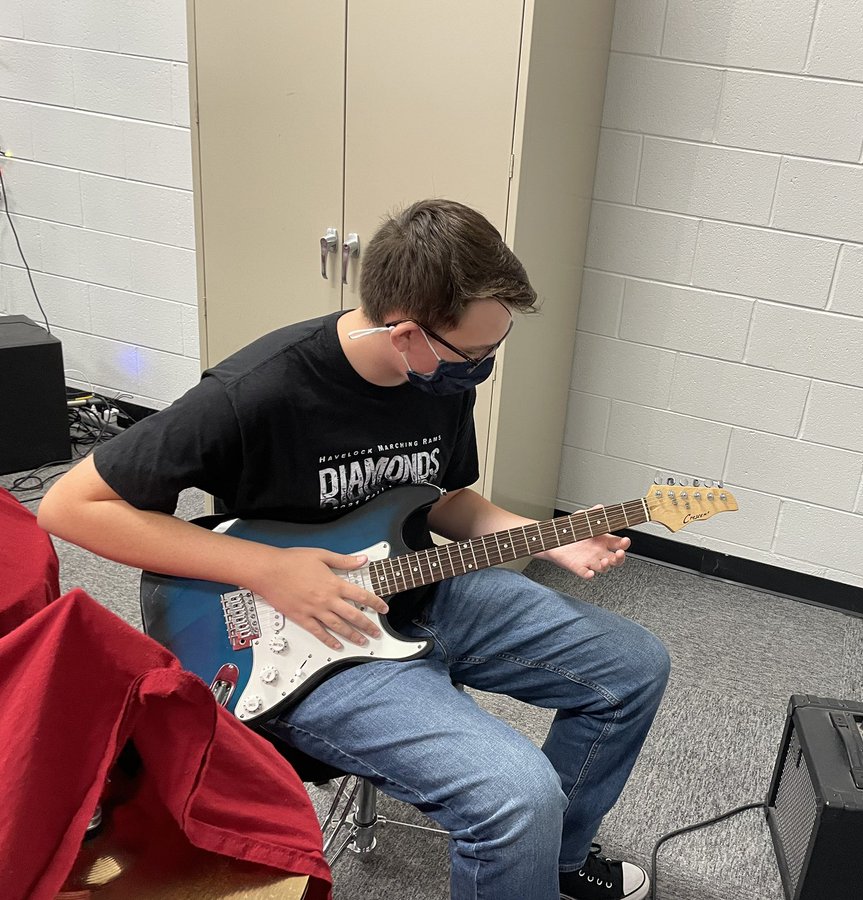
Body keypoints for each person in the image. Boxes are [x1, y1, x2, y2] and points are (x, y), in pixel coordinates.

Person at [38, 199, 669, 900]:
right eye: (476, 354)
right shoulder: (259, 390)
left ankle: (553, 862)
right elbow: (70, 507)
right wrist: (268, 569)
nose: (484, 367)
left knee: (633, 666)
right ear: (405, 333)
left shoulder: (437, 377)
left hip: (420, 587)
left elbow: (445, 501)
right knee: (516, 795)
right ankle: (529, 840)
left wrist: (547, 540)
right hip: (306, 635)